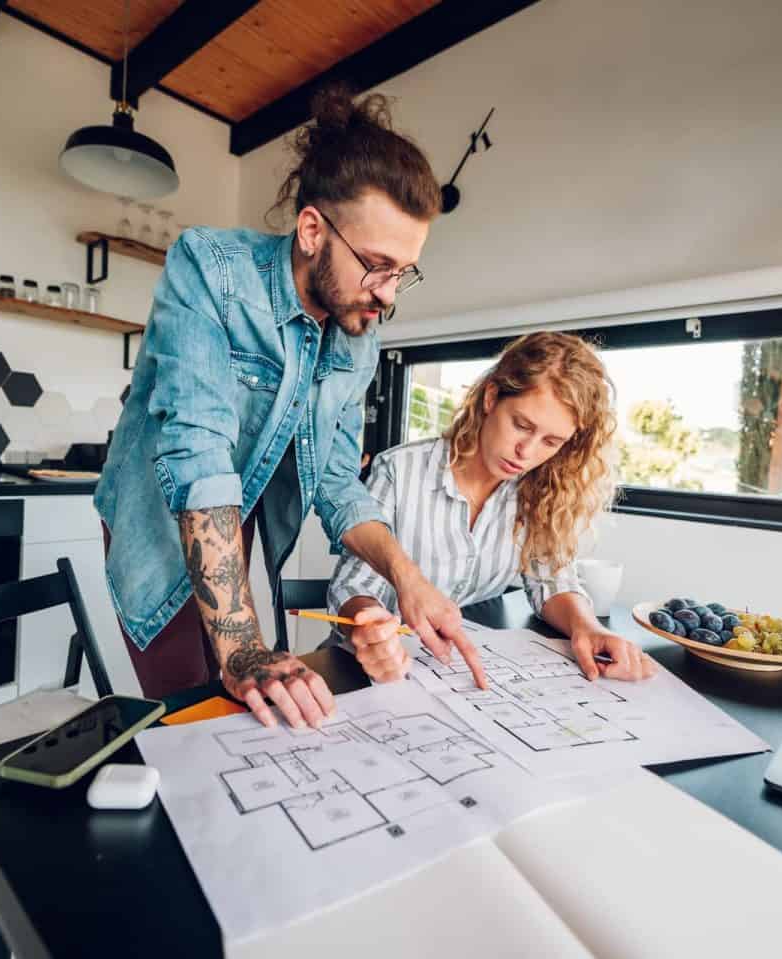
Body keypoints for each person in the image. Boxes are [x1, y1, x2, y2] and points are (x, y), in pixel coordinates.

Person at [94, 88, 487, 727]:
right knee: (194, 716)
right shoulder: (211, 269)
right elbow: (198, 456)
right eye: (377, 266)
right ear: (312, 230)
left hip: (237, 516)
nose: (387, 296)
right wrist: (246, 647)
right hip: (161, 516)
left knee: (244, 712)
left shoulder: (358, 333)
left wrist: (408, 581)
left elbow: (335, 482)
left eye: (404, 272)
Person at [328, 331, 658, 684]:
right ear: (491, 398)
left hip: (452, 673)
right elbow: (353, 585)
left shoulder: (539, 491)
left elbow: (552, 582)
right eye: (521, 425)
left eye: (551, 441)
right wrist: (370, 625)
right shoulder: (399, 470)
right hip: (367, 669)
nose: (527, 452)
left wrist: (586, 627)